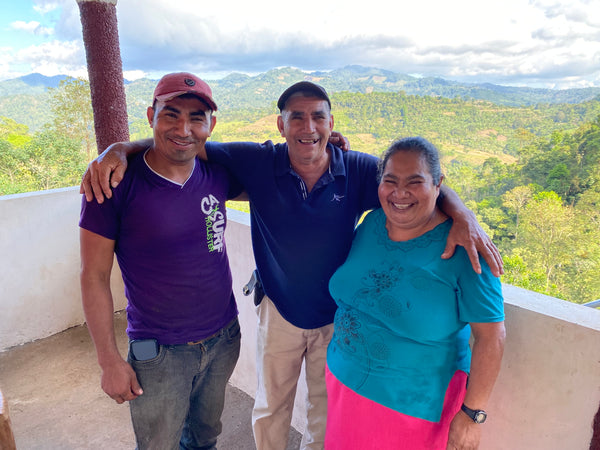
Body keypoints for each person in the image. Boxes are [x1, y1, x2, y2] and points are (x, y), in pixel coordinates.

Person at [81, 81, 503, 450]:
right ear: (280, 125)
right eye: (295, 117)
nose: (307, 127)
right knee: (271, 405)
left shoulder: (358, 171)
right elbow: (182, 143)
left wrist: (462, 213)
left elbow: (413, 180)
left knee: (323, 413)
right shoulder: (258, 162)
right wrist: (118, 148)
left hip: (339, 320)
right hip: (278, 309)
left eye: (317, 117)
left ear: (331, 123)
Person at [79, 72, 244, 450]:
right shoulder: (113, 185)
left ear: (211, 125)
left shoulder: (218, 174)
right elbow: (94, 276)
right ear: (151, 115)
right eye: (171, 115)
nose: (183, 128)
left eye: (196, 117)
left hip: (223, 339)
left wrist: (326, 147)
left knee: (204, 437)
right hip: (160, 353)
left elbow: (283, 176)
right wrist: (109, 361)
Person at [325, 136, 506, 450]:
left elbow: (491, 336)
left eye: (415, 181)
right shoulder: (371, 223)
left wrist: (473, 413)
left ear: (438, 184)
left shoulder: (466, 247)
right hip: (343, 384)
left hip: (413, 407)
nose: (400, 192)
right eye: (390, 181)